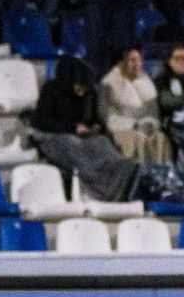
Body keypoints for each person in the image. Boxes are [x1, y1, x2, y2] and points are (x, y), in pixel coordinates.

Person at [30, 55, 140, 202]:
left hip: (83, 136)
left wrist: (95, 127)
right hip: (54, 135)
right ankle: (96, 190)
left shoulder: (89, 92)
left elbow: (93, 119)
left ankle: (121, 183)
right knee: (72, 145)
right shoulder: (51, 90)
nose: (81, 92)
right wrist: (73, 127)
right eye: (78, 88)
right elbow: (43, 121)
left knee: (102, 143)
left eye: (84, 89)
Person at [100, 47, 170, 164]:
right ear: (122, 63)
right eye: (132, 60)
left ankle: (163, 175)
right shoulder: (109, 84)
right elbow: (105, 115)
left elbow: (153, 112)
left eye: (139, 60)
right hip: (120, 129)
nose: (137, 64)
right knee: (135, 140)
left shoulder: (145, 81)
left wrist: (150, 123)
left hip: (145, 127)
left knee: (160, 139)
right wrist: (133, 124)